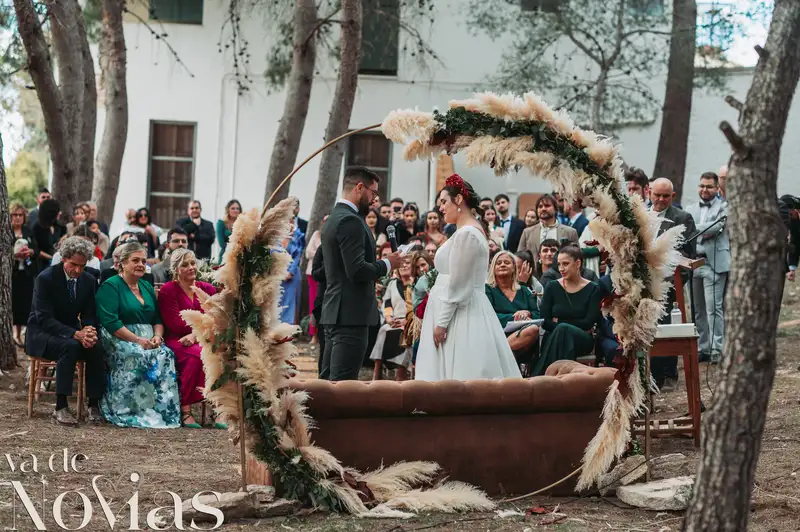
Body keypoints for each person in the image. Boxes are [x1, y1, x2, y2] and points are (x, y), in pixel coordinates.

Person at [415, 174, 521, 381]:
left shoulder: (468, 235)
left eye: (444, 202)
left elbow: (459, 282)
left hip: (461, 313)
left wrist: (442, 322)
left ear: (459, 200)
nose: (441, 208)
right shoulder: (464, 232)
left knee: (463, 370)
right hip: (454, 307)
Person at [319, 167, 404, 381]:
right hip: (351, 315)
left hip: (336, 312)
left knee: (329, 381)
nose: (375, 200)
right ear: (359, 188)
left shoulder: (334, 218)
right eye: (373, 193)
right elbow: (356, 270)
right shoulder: (351, 221)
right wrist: (387, 263)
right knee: (342, 384)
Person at [95, 242, 181, 428]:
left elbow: (158, 318)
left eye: (143, 260)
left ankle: (158, 411)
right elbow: (111, 322)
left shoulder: (146, 286)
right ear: (122, 263)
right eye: (135, 260)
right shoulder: (110, 286)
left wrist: (157, 337)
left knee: (165, 355)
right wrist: (137, 340)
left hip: (149, 338)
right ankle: (127, 410)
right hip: (119, 337)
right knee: (137, 355)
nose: (141, 264)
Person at [25, 237, 105, 426]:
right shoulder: (45, 279)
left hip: (72, 331)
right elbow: (44, 318)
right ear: (63, 259)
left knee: (96, 346)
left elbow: (89, 314)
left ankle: (93, 404)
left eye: (82, 266)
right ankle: (60, 407)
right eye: (73, 265)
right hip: (42, 333)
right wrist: (75, 334)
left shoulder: (88, 280)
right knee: (69, 346)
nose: (77, 270)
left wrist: (89, 331)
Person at [157, 249, 224, 429]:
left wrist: (196, 335)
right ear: (176, 269)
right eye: (185, 265)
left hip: (202, 339)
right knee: (196, 356)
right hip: (176, 340)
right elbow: (176, 324)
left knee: (217, 354)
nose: (191, 267)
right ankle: (186, 411)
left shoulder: (207, 289)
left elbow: (215, 319)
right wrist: (199, 331)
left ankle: (217, 409)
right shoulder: (168, 290)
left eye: (193, 263)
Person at [649, 178, 696, 388]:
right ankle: (651, 376)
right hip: (644, 284)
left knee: (668, 329)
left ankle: (668, 375)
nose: (660, 199)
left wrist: (674, 282)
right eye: (657, 195)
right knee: (649, 329)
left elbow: (688, 255)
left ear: (673, 196)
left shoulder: (682, 218)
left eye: (665, 196)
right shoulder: (641, 215)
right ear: (649, 192)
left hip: (669, 284)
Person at [534, 246, 602, 376]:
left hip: (582, 339)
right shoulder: (552, 286)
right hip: (555, 336)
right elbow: (545, 321)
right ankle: (560, 380)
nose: (561, 269)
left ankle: (542, 376)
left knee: (563, 329)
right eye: (559, 264)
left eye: (565, 264)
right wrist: (566, 324)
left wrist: (560, 321)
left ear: (578, 263)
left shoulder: (593, 289)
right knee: (562, 331)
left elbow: (589, 322)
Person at [685, 172, 729, 364]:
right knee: (698, 309)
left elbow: (716, 227)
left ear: (717, 188)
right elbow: (686, 230)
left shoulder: (725, 207)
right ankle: (702, 347)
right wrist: (700, 229)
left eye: (709, 186)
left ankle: (716, 349)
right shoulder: (690, 208)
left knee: (714, 308)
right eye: (702, 186)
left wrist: (694, 228)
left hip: (714, 264)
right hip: (694, 263)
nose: (705, 189)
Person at [485, 251, 540, 376]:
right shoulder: (488, 289)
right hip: (499, 334)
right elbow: (488, 315)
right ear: (493, 268)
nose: (503, 265)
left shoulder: (525, 290)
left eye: (507, 262)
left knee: (533, 330)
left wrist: (528, 314)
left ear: (514, 267)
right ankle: (506, 357)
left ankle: (498, 355)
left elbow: (537, 315)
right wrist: (513, 317)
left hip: (525, 336)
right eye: (499, 263)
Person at [370, 258, 415, 381]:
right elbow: (387, 303)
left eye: (407, 263)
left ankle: (401, 372)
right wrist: (389, 319)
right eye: (401, 263)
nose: (404, 266)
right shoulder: (392, 283)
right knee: (384, 330)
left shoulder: (416, 283)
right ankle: (377, 369)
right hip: (394, 320)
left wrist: (407, 321)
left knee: (404, 334)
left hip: (411, 321)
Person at [518, 194, 578, 264]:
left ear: (555, 209)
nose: (543, 209)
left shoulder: (570, 232)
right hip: (535, 273)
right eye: (540, 206)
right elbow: (519, 258)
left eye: (547, 206)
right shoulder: (527, 232)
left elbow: (577, 258)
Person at [10, 203, 38, 346]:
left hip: (26, 273)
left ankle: (20, 334)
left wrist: (30, 252)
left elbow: (36, 250)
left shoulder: (28, 231)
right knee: (12, 303)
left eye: (21, 215)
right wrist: (14, 254)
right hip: (12, 273)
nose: (18, 218)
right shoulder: (6, 231)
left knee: (25, 303)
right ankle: (12, 333)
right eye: (15, 215)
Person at [305, 216, 327, 346]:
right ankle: (314, 335)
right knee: (314, 304)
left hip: (327, 276)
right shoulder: (316, 234)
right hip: (313, 273)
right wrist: (322, 254)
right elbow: (308, 252)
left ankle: (323, 334)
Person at [279, 220, 305, 324]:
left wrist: (290, 272)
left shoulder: (297, 237)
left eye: (291, 222)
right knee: (279, 302)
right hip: (278, 275)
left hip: (292, 274)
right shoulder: (275, 238)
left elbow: (298, 256)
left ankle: (291, 331)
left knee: (292, 302)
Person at [32, 198, 66, 271]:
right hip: (42, 266)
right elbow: (35, 249)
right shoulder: (37, 227)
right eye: (58, 211)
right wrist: (52, 258)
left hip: (59, 265)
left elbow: (65, 236)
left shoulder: (59, 226)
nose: (60, 213)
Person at [216, 199, 241, 263]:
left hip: (240, 257)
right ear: (228, 210)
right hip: (225, 257)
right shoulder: (221, 223)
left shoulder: (242, 224)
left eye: (237, 208)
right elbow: (221, 243)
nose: (235, 210)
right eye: (233, 208)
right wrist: (235, 249)